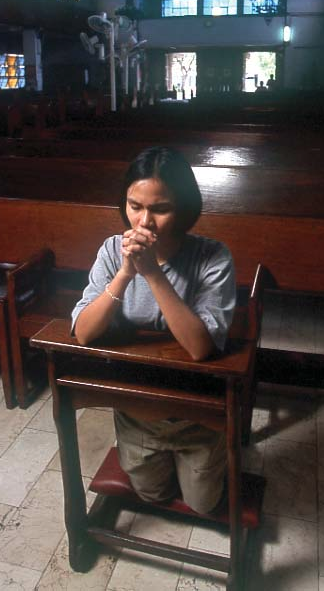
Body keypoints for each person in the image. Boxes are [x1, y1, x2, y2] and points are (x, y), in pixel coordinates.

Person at [71, 146, 236, 514]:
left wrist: (152, 273)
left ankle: (218, 449)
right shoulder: (113, 251)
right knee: (152, 495)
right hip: (137, 408)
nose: (144, 222)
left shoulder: (213, 256)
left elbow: (200, 348)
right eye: (135, 206)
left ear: (184, 209)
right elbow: (83, 332)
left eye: (160, 209)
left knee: (204, 504)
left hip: (196, 412)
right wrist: (127, 272)